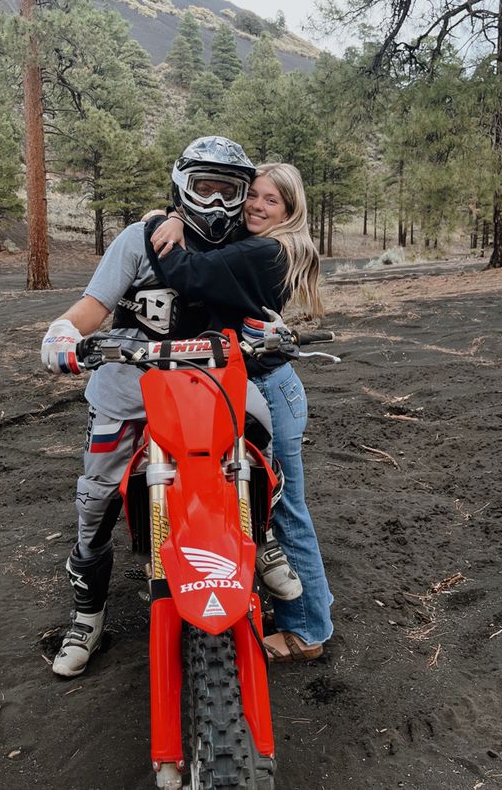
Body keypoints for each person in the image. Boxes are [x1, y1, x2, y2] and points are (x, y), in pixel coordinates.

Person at [40, 137, 300, 678]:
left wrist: (271, 329)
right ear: (184, 183)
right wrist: (64, 331)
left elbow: (259, 304)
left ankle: (264, 536)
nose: (218, 200)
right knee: (94, 502)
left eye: (229, 189)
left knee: (258, 436)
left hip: (210, 387)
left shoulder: (242, 243)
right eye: (205, 186)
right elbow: (96, 304)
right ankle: (87, 614)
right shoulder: (139, 237)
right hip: (127, 389)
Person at [149, 162, 334, 661]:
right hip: (259, 387)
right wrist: (174, 214)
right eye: (252, 194)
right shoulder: (269, 245)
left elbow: (192, 274)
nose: (255, 205)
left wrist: (157, 225)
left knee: (284, 508)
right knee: (266, 501)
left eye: (271, 200)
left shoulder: (266, 250)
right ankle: (303, 608)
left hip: (269, 389)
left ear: (290, 210)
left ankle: (308, 631)